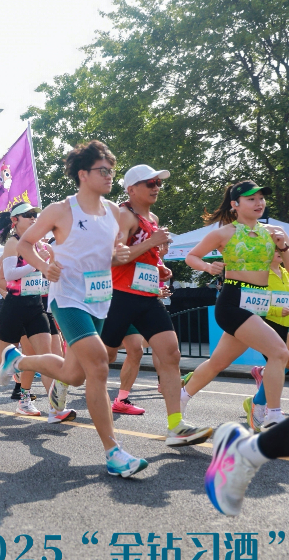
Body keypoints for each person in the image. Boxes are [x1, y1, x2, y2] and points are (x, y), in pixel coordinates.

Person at [0, 140, 149, 477]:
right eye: (103, 170)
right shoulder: (60, 210)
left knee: (73, 375)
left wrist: (122, 256)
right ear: (83, 174)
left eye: (111, 171)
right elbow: (25, 244)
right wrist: (43, 266)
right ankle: (114, 452)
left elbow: (112, 255)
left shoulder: (114, 212)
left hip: (100, 300)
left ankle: (17, 360)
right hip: (67, 298)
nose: (110, 176)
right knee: (99, 366)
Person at [98, 164, 213, 446]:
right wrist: (151, 241)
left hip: (148, 298)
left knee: (171, 354)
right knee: (102, 359)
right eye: (150, 183)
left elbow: (145, 258)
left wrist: (160, 267)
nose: (156, 188)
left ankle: (176, 426)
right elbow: (113, 257)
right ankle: (64, 380)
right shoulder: (124, 215)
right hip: (120, 296)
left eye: (158, 183)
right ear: (131, 189)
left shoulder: (154, 218)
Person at [181, 180, 289, 430]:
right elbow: (191, 256)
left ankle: (179, 400)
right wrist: (208, 267)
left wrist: (283, 245)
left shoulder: (273, 232)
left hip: (257, 303)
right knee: (280, 352)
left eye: (261, 198)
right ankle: (273, 415)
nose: (259, 203)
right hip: (233, 301)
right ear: (235, 204)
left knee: (217, 363)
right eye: (251, 199)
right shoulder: (224, 233)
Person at [0, 203, 54, 418]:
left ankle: (52, 407)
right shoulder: (13, 244)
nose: (33, 218)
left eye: (35, 215)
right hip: (15, 307)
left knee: (42, 357)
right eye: (28, 215)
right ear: (15, 220)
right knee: (8, 357)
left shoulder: (37, 244)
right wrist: (6, 292)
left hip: (35, 306)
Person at [242, 251, 289, 430]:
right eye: (274, 249)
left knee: (283, 364)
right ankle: (259, 402)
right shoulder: (260, 274)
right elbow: (252, 302)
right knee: (280, 364)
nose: (279, 252)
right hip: (269, 324)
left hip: (287, 324)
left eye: (281, 249)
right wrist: (277, 310)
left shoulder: (286, 271)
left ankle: (262, 380)